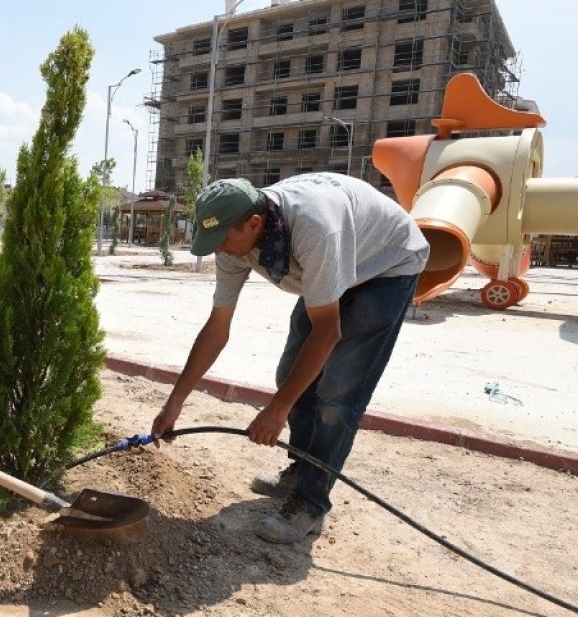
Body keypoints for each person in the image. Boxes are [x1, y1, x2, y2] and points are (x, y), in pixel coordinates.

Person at [152, 173, 428, 545]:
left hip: (385, 264)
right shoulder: (235, 242)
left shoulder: (314, 229)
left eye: (222, 242)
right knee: (291, 374)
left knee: (336, 394)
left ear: (253, 224)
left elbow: (327, 332)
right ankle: (301, 470)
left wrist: (278, 409)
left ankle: (310, 506)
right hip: (336, 264)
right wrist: (174, 403)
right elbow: (217, 329)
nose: (220, 251)